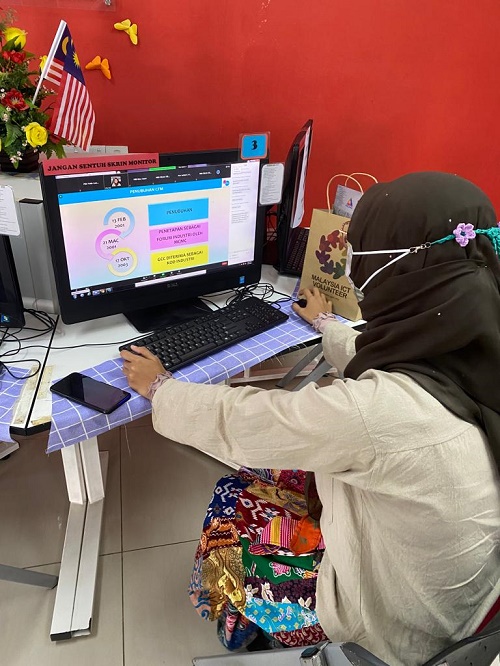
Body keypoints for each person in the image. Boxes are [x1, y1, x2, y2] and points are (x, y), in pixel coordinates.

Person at [120, 171, 500, 666]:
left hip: (392, 625)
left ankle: (237, 623)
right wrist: (324, 323)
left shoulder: (376, 413)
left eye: (360, 256)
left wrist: (161, 388)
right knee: (264, 479)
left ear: (394, 269)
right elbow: (380, 354)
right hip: (458, 605)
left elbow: (251, 420)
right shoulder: (473, 339)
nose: (353, 271)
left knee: (228, 511)